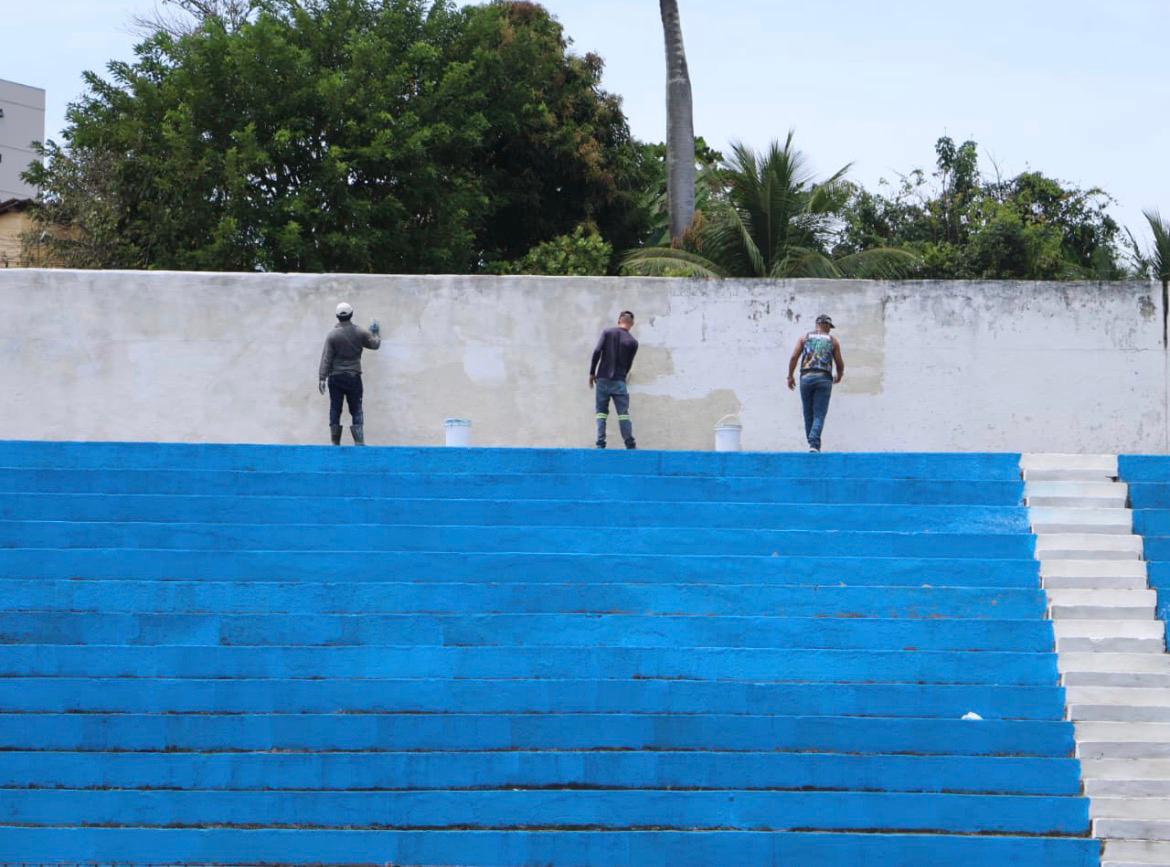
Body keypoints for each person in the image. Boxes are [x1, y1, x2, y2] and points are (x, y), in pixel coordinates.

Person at [318, 302, 381, 446]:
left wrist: (322, 378)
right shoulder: (359, 332)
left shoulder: (332, 335)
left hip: (335, 377)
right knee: (356, 408)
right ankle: (359, 441)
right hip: (353, 377)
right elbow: (375, 345)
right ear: (351, 315)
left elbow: (326, 358)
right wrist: (375, 333)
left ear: (337, 316)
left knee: (335, 408)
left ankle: (335, 441)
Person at [787, 314, 845, 452]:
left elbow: (794, 357)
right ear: (825, 325)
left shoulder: (804, 338)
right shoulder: (833, 341)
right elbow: (839, 363)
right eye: (829, 327)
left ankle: (812, 444)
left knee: (808, 412)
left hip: (806, 377)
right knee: (819, 413)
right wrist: (839, 375)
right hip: (824, 378)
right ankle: (814, 444)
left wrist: (790, 376)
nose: (830, 330)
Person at [589, 311, 639, 449]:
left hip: (603, 379)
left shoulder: (607, 332)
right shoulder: (633, 342)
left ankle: (600, 443)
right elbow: (629, 364)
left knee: (601, 413)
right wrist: (622, 376)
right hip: (619, 381)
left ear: (619, 321)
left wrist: (592, 373)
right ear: (632, 324)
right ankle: (630, 444)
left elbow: (597, 351)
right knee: (623, 414)